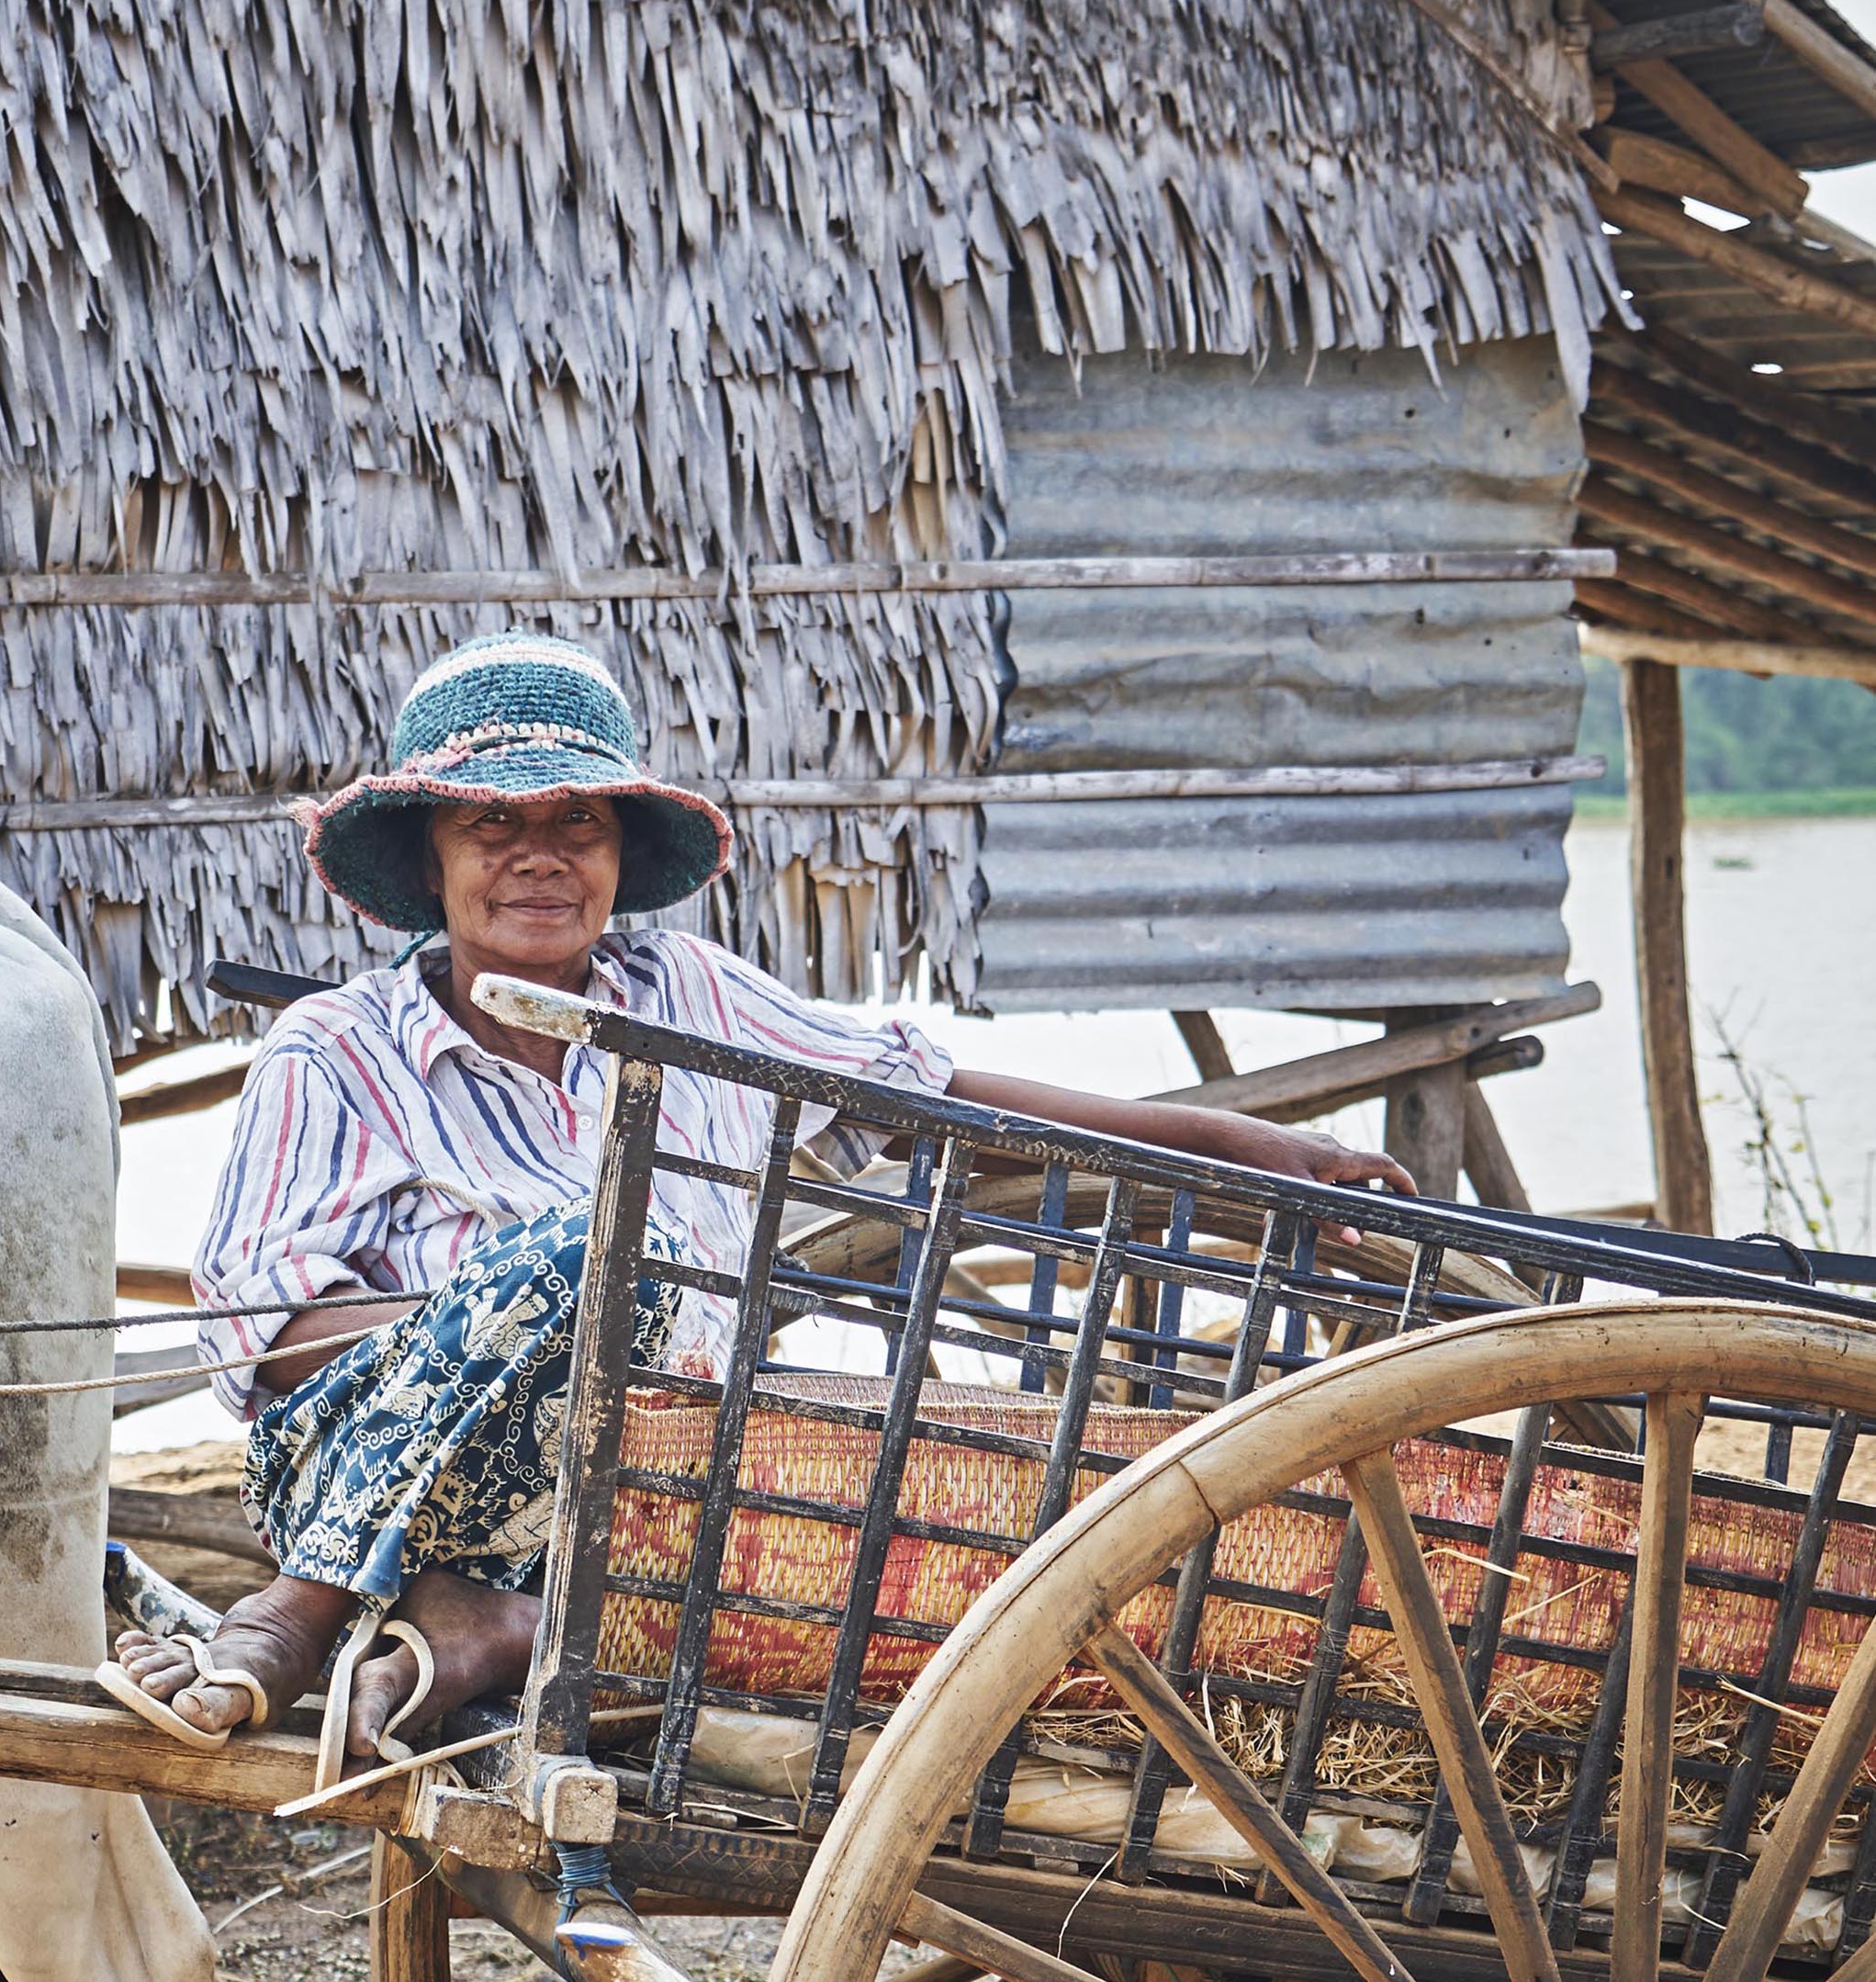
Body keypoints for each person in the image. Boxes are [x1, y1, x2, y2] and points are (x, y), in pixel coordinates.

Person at [108, 634, 1411, 1767]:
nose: (537, 859)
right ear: (431, 855)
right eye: (490, 824)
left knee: (653, 1286)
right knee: (604, 1255)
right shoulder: (336, 1050)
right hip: (369, 1482)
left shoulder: (690, 996)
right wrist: (506, 1323)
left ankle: (498, 1621)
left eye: (577, 824)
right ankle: (298, 1614)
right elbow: (264, 1342)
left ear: (619, 853)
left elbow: (930, 1089)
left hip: (652, 1496)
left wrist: (1240, 1147)